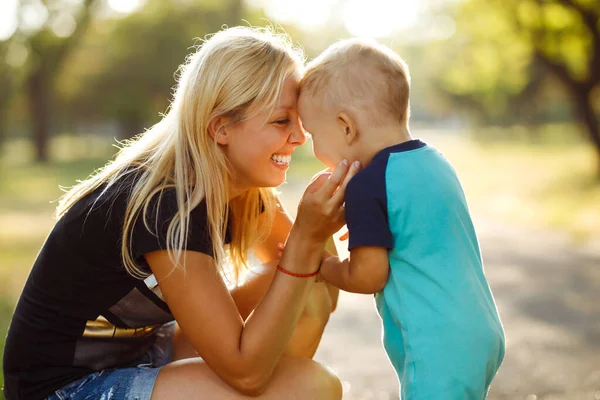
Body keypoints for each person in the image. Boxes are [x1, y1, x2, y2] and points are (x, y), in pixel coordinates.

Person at [2, 26, 360, 400]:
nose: (300, 137)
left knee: (308, 291)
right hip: (63, 389)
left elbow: (318, 277)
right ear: (221, 128)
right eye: (281, 120)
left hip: (142, 356)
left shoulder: (241, 189)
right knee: (311, 385)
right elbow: (246, 375)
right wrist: (305, 239)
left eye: (299, 121)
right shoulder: (165, 202)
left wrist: (323, 231)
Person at [296, 38, 506, 399]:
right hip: (480, 330)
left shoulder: (368, 184)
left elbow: (368, 275)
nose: (313, 150)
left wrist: (321, 264)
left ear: (346, 126)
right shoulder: (434, 161)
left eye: (313, 135)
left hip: (436, 343)